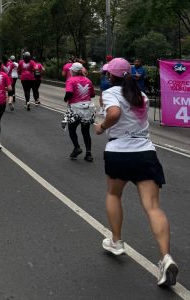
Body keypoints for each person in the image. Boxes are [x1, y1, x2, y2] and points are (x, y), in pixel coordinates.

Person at [94, 57, 178, 287]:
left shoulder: (111, 92)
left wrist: (101, 127)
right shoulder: (140, 96)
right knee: (152, 207)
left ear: (110, 75)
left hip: (119, 151)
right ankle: (165, 257)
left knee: (113, 195)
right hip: (145, 152)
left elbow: (113, 114)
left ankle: (117, 241)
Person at [63, 62, 96, 162]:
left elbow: (69, 92)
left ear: (73, 71)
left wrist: (66, 99)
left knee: (72, 129)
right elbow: (93, 95)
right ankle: (88, 154)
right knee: (85, 132)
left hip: (75, 108)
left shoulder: (70, 80)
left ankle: (77, 147)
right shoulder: (88, 80)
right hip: (87, 108)